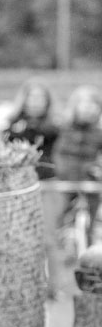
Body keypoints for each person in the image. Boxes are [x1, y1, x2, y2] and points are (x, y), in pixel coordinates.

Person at [53, 85, 102, 245]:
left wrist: (95, 170)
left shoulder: (98, 133)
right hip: (65, 184)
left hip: (90, 185)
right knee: (61, 224)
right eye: (85, 104)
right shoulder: (62, 129)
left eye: (93, 105)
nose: (89, 109)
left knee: (90, 227)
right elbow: (57, 155)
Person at [3, 80, 58, 179]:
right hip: (18, 177)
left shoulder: (54, 129)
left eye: (40, 98)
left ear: (47, 101)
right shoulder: (13, 126)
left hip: (46, 178)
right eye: (32, 97)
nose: (36, 102)